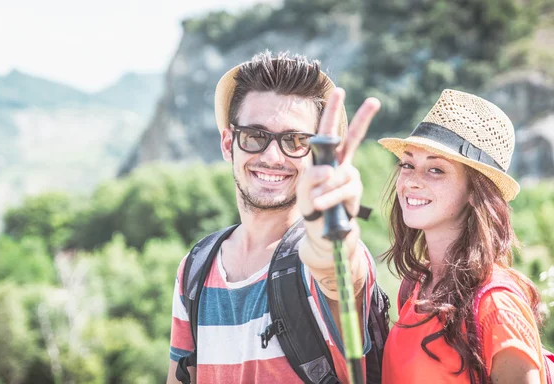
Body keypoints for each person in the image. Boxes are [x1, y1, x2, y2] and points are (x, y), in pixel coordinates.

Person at [166, 51, 382, 384]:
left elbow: (339, 272)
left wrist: (333, 241)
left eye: (295, 141)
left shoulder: (322, 256)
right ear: (228, 143)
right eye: (255, 136)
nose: (272, 156)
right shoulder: (195, 269)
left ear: (315, 154)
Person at [378, 89, 548, 383]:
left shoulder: (497, 307)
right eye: (408, 164)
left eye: (436, 169)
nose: (412, 181)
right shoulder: (418, 284)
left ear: (475, 191)